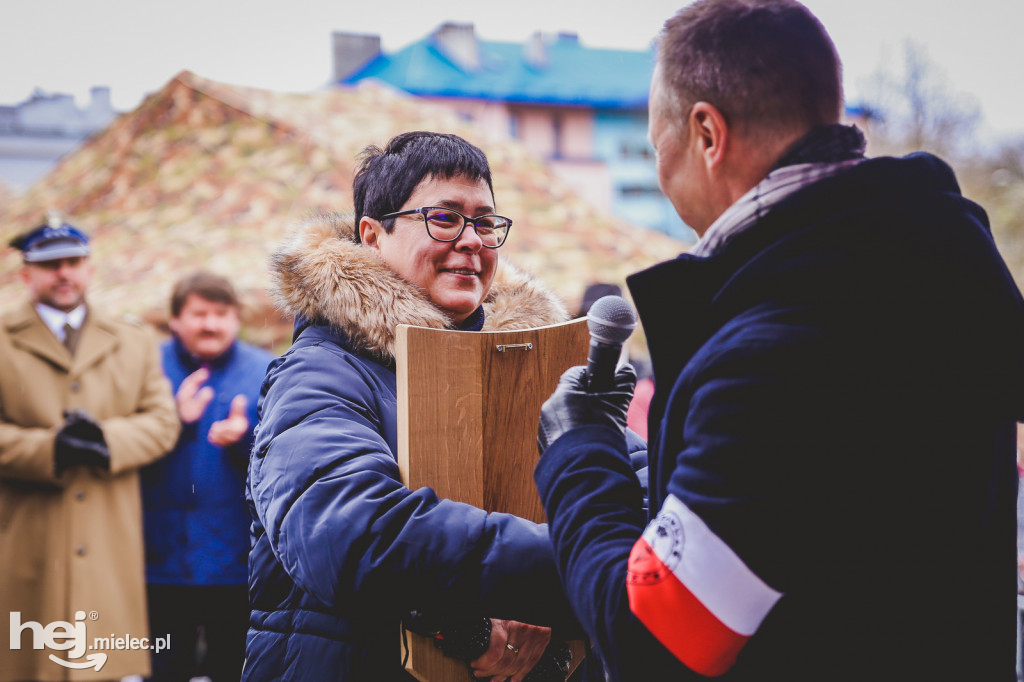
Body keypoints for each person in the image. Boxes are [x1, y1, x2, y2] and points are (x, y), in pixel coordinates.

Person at [533, 1, 1024, 680]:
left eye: (655, 146)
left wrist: (579, 451)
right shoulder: (931, 274)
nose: (660, 170)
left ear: (707, 133)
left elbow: (657, 643)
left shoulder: (777, 355)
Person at [245, 131, 584, 681]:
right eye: (445, 218)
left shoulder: (534, 367)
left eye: (485, 222)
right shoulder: (321, 370)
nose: (472, 240)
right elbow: (345, 532)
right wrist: (565, 573)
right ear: (373, 235)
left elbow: (635, 487)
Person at [0, 219, 180, 681]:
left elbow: (162, 421)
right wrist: (49, 449)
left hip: (109, 547)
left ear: (89, 268)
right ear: (26, 274)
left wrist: (106, 443)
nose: (64, 274)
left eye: (73, 263)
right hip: (23, 546)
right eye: (49, 265)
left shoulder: (133, 340)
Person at [141, 270, 274, 681]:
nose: (210, 324)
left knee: (234, 667)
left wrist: (244, 439)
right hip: (157, 561)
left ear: (236, 318)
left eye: (221, 313)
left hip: (237, 562)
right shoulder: (146, 370)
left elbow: (288, 460)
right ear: (175, 320)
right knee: (162, 667)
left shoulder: (266, 370)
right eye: (199, 313)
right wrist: (173, 422)